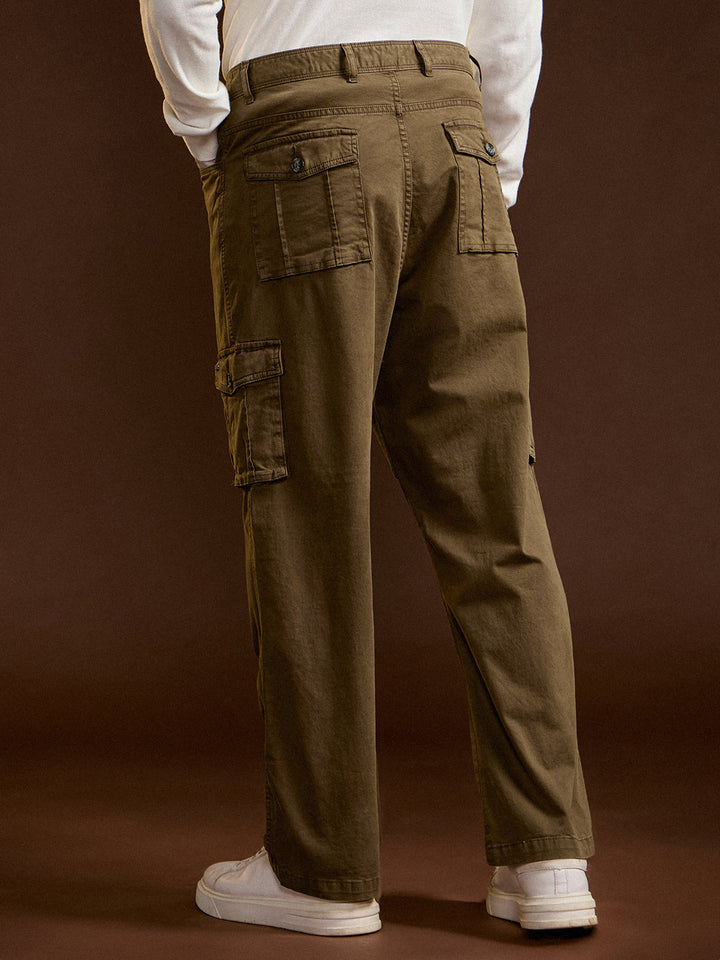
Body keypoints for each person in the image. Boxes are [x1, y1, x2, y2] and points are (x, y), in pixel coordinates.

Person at [139, 0, 597, 937]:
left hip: (298, 121)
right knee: (496, 505)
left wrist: (205, 126)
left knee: (308, 501)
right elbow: (513, 12)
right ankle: (547, 859)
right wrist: (492, 159)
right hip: (455, 122)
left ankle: (322, 871)